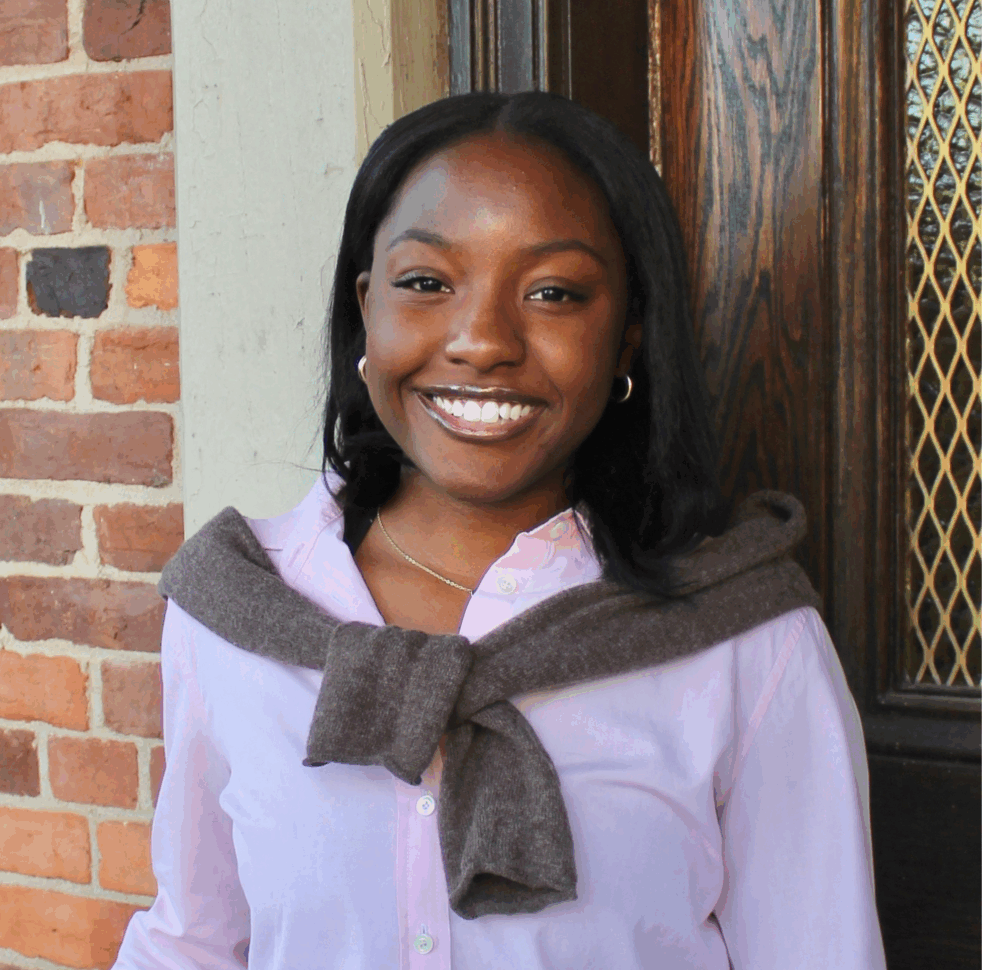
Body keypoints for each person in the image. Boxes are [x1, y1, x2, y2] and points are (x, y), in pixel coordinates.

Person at [114, 91, 887, 968]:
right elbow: (193, 942)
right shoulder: (236, 615)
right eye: (427, 283)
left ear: (628, 336)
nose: (482, 340)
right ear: (367, 308)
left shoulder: (747, 643)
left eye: (553, 292)